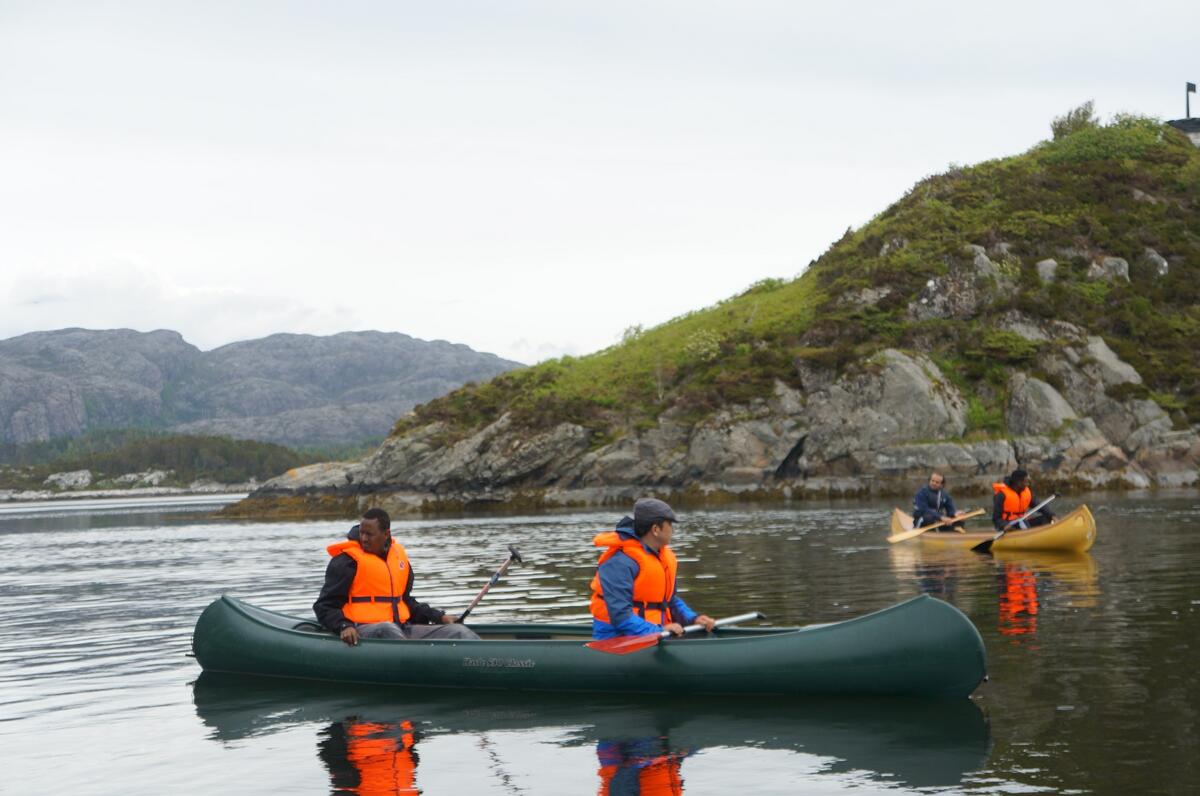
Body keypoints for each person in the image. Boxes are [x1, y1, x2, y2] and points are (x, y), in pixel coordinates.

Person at [314, 507, 479, 645]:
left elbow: (405, 602)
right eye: (362, 533)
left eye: (369, 534)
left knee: (458, 632)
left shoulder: (399, 559)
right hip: (364, 629)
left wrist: (439, 617)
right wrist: (344, 626)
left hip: (401, 628)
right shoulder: (346, 562)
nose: (363, 539)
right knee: (386, 629)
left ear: (386, 534)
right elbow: (324, 606)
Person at [589, 497, 715, 640]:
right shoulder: (620, 562)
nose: (673, 530)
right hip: (617, 640)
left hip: (655, 634)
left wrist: (693, 619)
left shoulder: (662, 557)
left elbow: (670, 600)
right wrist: (657, 630)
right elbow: (620, 616)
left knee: (703, 632)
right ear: (656, 529)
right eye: (670, 525)